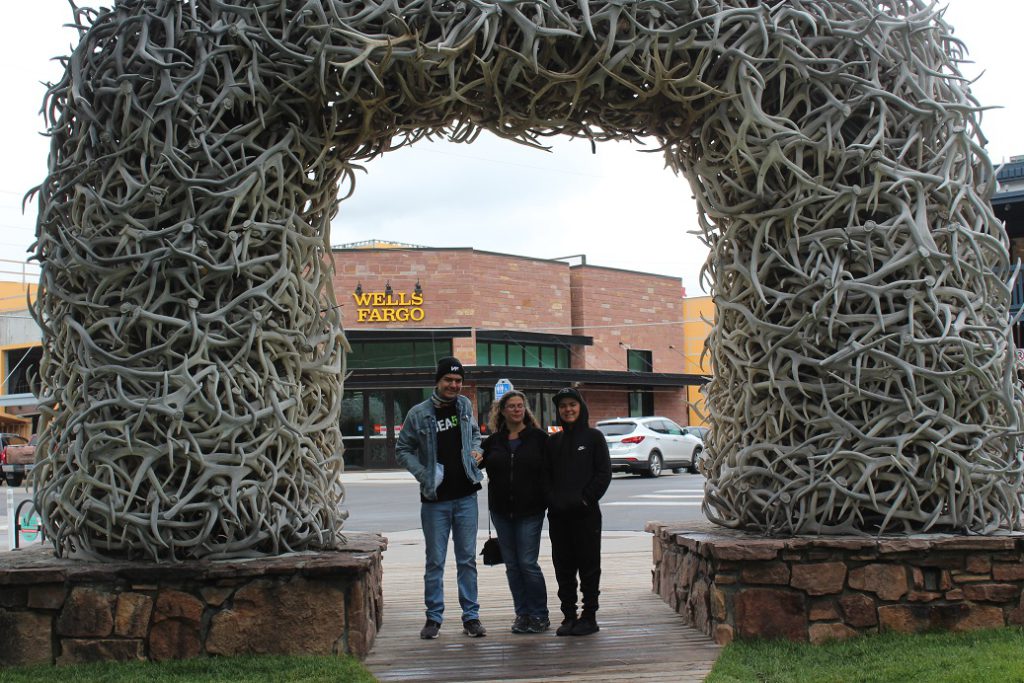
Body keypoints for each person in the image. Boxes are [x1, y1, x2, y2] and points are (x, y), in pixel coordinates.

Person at [395, 356, 487, 640]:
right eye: (448, 380)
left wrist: (476, 451)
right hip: (435, 499)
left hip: (466, 496)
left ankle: (471, 617)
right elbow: (402, 449)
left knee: (467, 560)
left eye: (458, 381)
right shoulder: (418, 413)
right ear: (438, 381)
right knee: (435, 561)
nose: (454, 385)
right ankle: (433, 618)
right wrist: (423, 474)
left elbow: (474, 435)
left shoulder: (464, 406)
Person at [479, 390, 550, 634]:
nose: (517, 410)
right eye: (512, 406)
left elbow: (552, 471)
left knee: (527, 563)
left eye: (520, 406)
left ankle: (540, 614)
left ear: (525, 410)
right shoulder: (492, 442)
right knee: (512, 564)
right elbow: (474, 463)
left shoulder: (539, 439)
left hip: (530, 511)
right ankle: (522, 614)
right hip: (501, 512)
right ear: (503, 411)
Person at [543, 387, 612, 636]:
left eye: (572, 404)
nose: (568, 410)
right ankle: (569, 616)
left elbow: (604, 474)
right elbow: (545, 477)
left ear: (580, 407)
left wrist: (585, 499)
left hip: (586, 515)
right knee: (563, 567)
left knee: (589, 566)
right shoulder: (553, 441)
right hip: (559, 516)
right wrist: (552, 500)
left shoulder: (594, 438)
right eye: (563, 406)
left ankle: (589, 616)